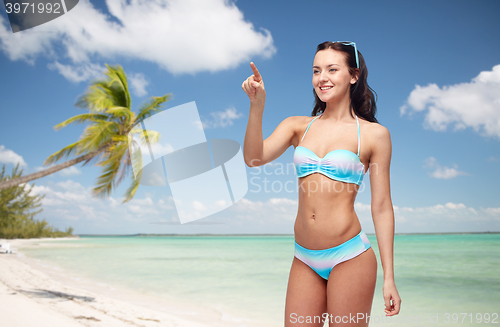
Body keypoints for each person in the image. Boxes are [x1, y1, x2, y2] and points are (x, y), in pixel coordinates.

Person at [242, 41, 401, 326]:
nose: (322, 78)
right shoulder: (298, 126)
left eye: (332, 69)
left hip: (350, 256)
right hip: (303, 256)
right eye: (316, 71)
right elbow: (253, 158)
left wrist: (389, 277)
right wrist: (257, 106)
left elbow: (381, 207)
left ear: (354, 75)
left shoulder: (374, 135)